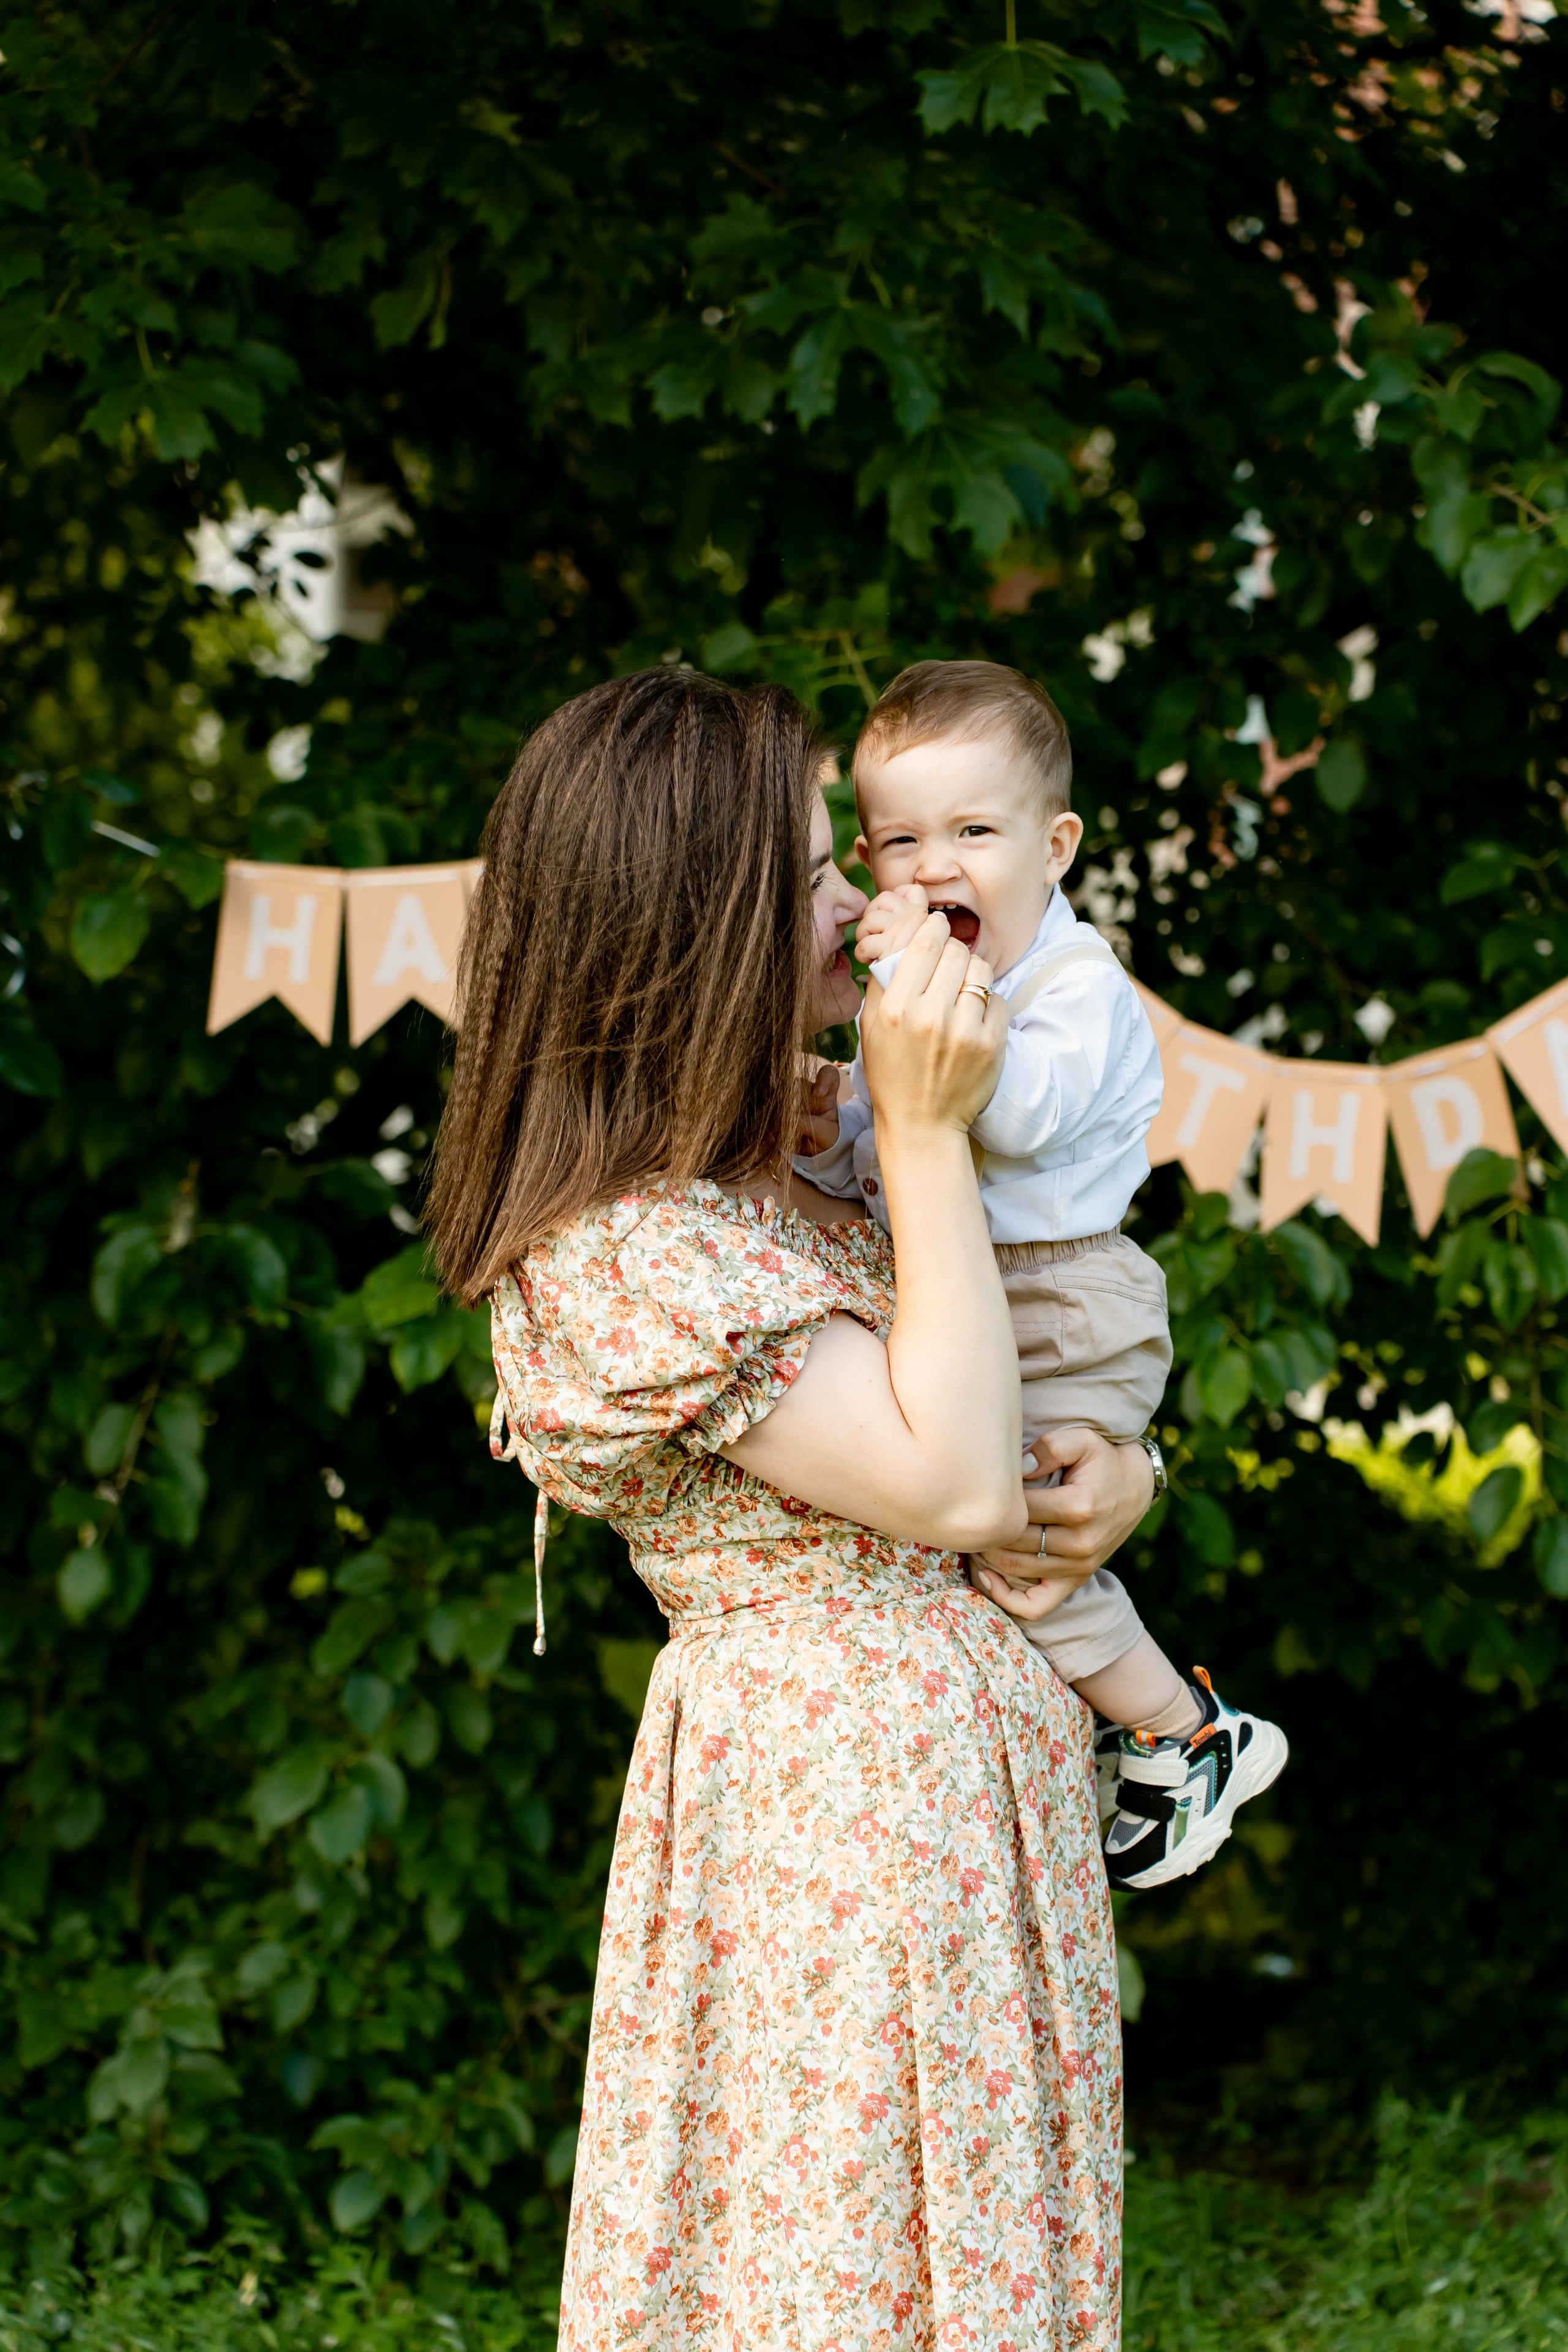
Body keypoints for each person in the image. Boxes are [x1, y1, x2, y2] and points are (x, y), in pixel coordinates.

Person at [428, 668, 1154, 2352]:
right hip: (842, 1823)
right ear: (702, 918)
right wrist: (917, 1124)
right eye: (825, 866)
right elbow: (955, 1479)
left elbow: (1022, 1396)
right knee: (836, 2267)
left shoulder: (789, 1148)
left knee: (975, 2265)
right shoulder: (628, 1238)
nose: (875, 893)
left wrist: (1127, 1467)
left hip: (978, 1807)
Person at [795, 661, 1288, 1892]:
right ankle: (1146, 1730)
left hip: (1062, 1293)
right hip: (982, 1288)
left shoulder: (1073, 987)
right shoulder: (935, 991)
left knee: (1021, 1546)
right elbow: (897, 1141)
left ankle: (1185, 1734)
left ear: (1053, 844)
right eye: (899, 840)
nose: (932, 867)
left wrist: (908, 998)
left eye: (973, 831)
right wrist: (836, 1128)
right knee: (1002, 1541)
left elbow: (994, 1120)